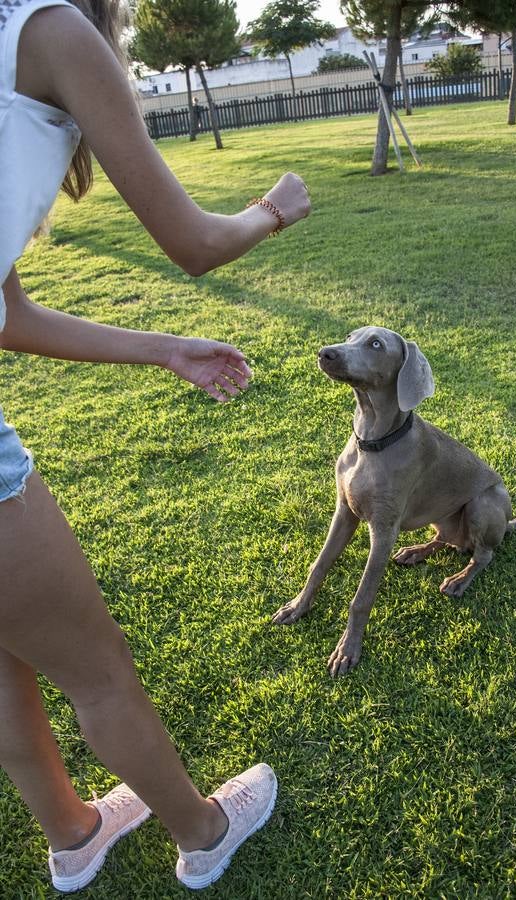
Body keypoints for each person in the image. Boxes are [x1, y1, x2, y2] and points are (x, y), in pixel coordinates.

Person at [0, 0, 310, 892]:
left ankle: (74, 832)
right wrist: (273, 209)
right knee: (97, 674)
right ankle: (204, 831)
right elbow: (196, 242)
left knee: (4, 643)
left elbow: (7, 313)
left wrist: (163, 348)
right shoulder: (49, 28)